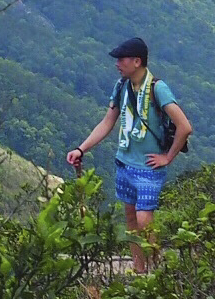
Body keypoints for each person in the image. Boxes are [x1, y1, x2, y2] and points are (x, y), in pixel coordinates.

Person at [65, 36, 191, 274]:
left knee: (145, 221)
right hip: (124, 163)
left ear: (137, 61)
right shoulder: (121, 86)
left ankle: (157, 274)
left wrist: (168, 157)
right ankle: (140, 272)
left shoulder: (157, 88)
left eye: (121, 59)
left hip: (148, 168)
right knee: (132, 223)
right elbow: (107, 122)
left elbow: (184, 126)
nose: (117, 64)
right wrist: (81, 148)